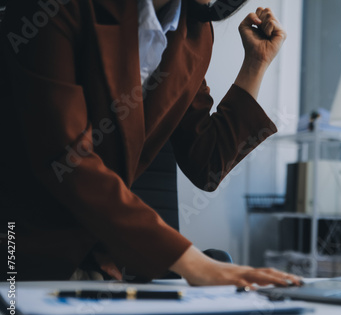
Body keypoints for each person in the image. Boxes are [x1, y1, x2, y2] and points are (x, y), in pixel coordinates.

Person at [0, 0, 302, 287]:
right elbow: (66, 158)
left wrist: (255, 64)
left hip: (103, 267)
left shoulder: (193, 32)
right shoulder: (56, 8)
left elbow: (207, 162)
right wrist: (193, 264)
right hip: (23, 256)